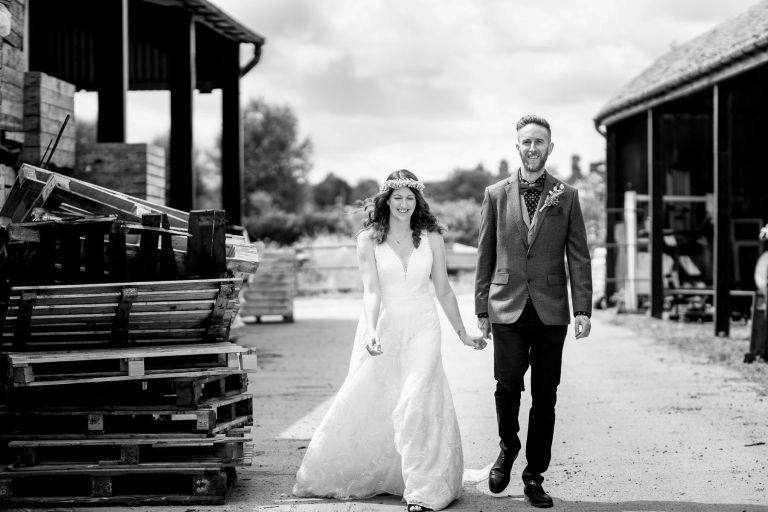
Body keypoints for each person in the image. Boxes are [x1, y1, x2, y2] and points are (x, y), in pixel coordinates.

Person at [294, 169, 487, 512]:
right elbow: (371, 290)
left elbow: (443, 288)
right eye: (397, 197)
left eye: (410, 197)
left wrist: (463, 333)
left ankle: (423, 489)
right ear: (386, 200)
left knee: (416, 400)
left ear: (418, 200)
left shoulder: (432, 238)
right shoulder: (367, 240)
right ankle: (392, 475)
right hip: (385, 326)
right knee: (380, 399)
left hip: (424, 326)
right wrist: (371, 329)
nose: (404, 203)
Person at [475, 115, 592, 508]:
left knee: (546, 395)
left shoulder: (567, 194)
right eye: (526, 141)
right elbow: (485, 254)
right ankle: (508, 446)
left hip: (551, 310)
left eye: (539, 142)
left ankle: (533, 476)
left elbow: (578, 255)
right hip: (506, 306)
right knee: (507, 388)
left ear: (549, 147)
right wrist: (480, 308)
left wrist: (583, 309)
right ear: (517, 146)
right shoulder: (495, 194)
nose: (532, 148)